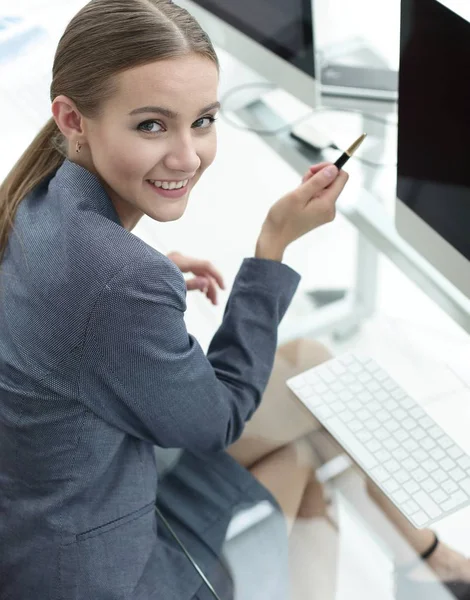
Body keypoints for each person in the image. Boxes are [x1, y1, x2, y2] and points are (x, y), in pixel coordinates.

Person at [0, 1, 468, 598]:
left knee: (312, 370)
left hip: (47, 518)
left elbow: (74, 305)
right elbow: (220, 420)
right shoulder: (120, 281)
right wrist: (273, 245)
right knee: (309, 459)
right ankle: (431, 561)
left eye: (203, 120)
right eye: (151, 125)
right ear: (72, 120)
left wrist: (136, 286)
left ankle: (430, 557)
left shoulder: (36, 202)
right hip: (100, 571)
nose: (187, 156)